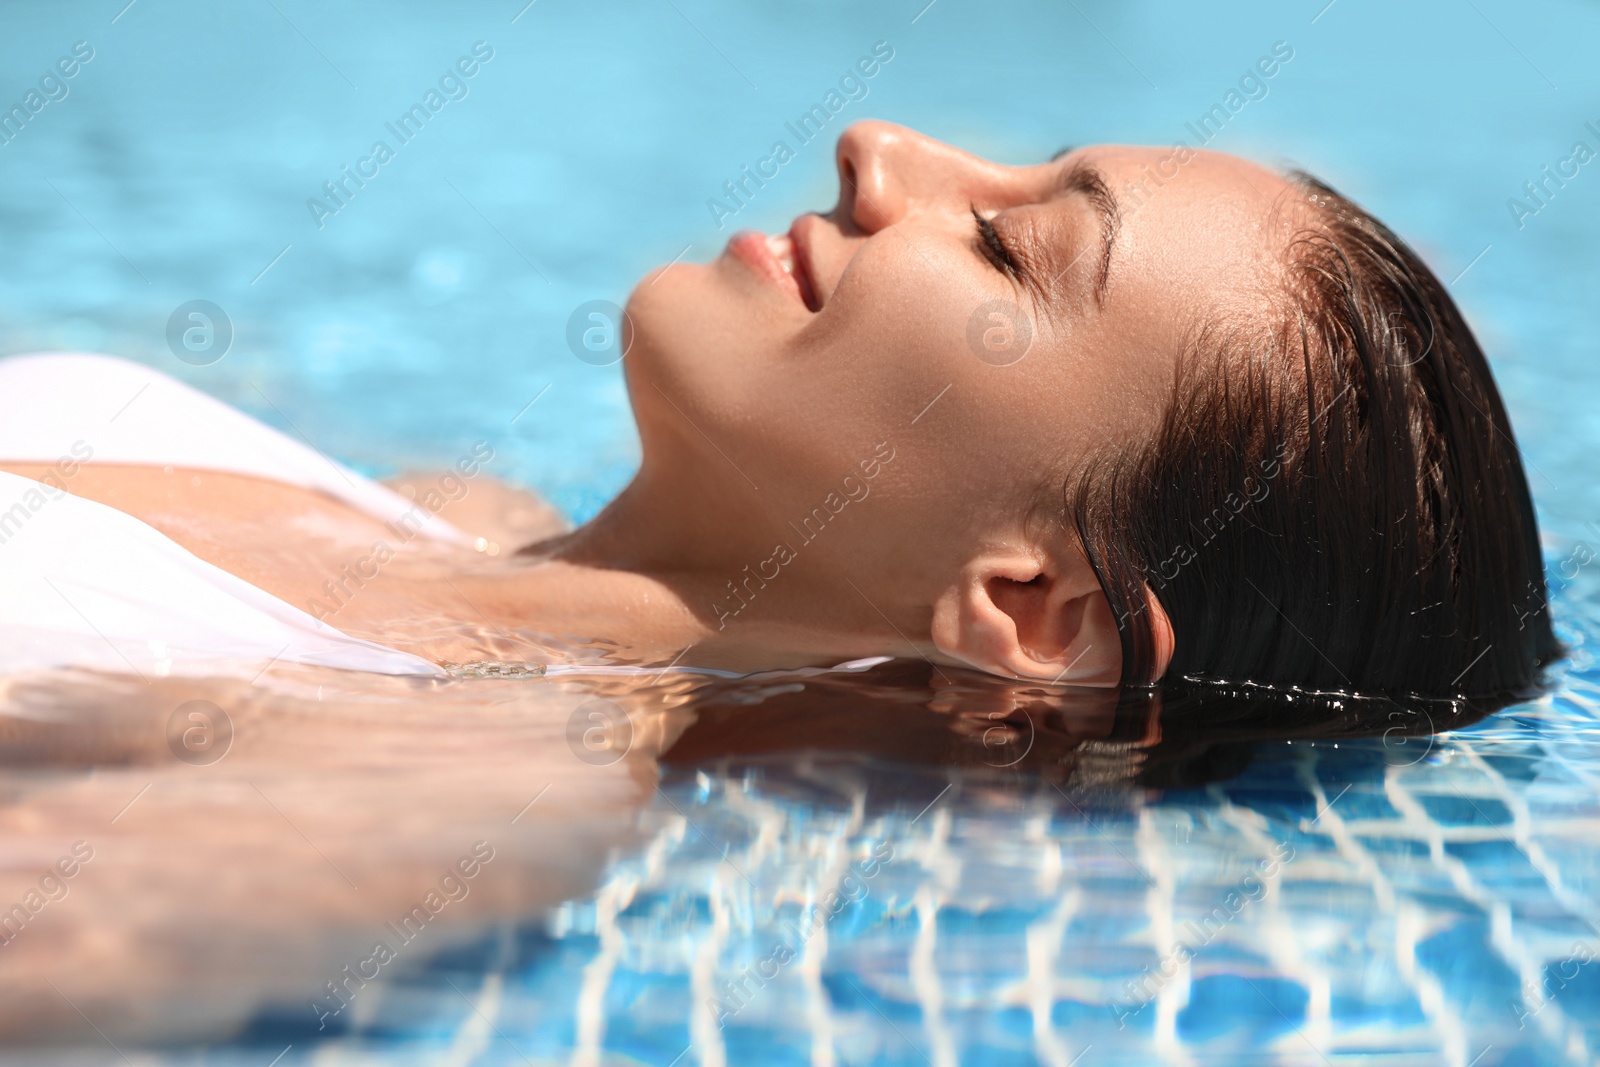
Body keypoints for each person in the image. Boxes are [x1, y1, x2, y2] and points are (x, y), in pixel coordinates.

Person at [0, 122, 1557, 701]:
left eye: (1010, 245)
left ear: (1033, 605)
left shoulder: (406, 802)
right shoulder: (444, 514)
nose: (878, 152)